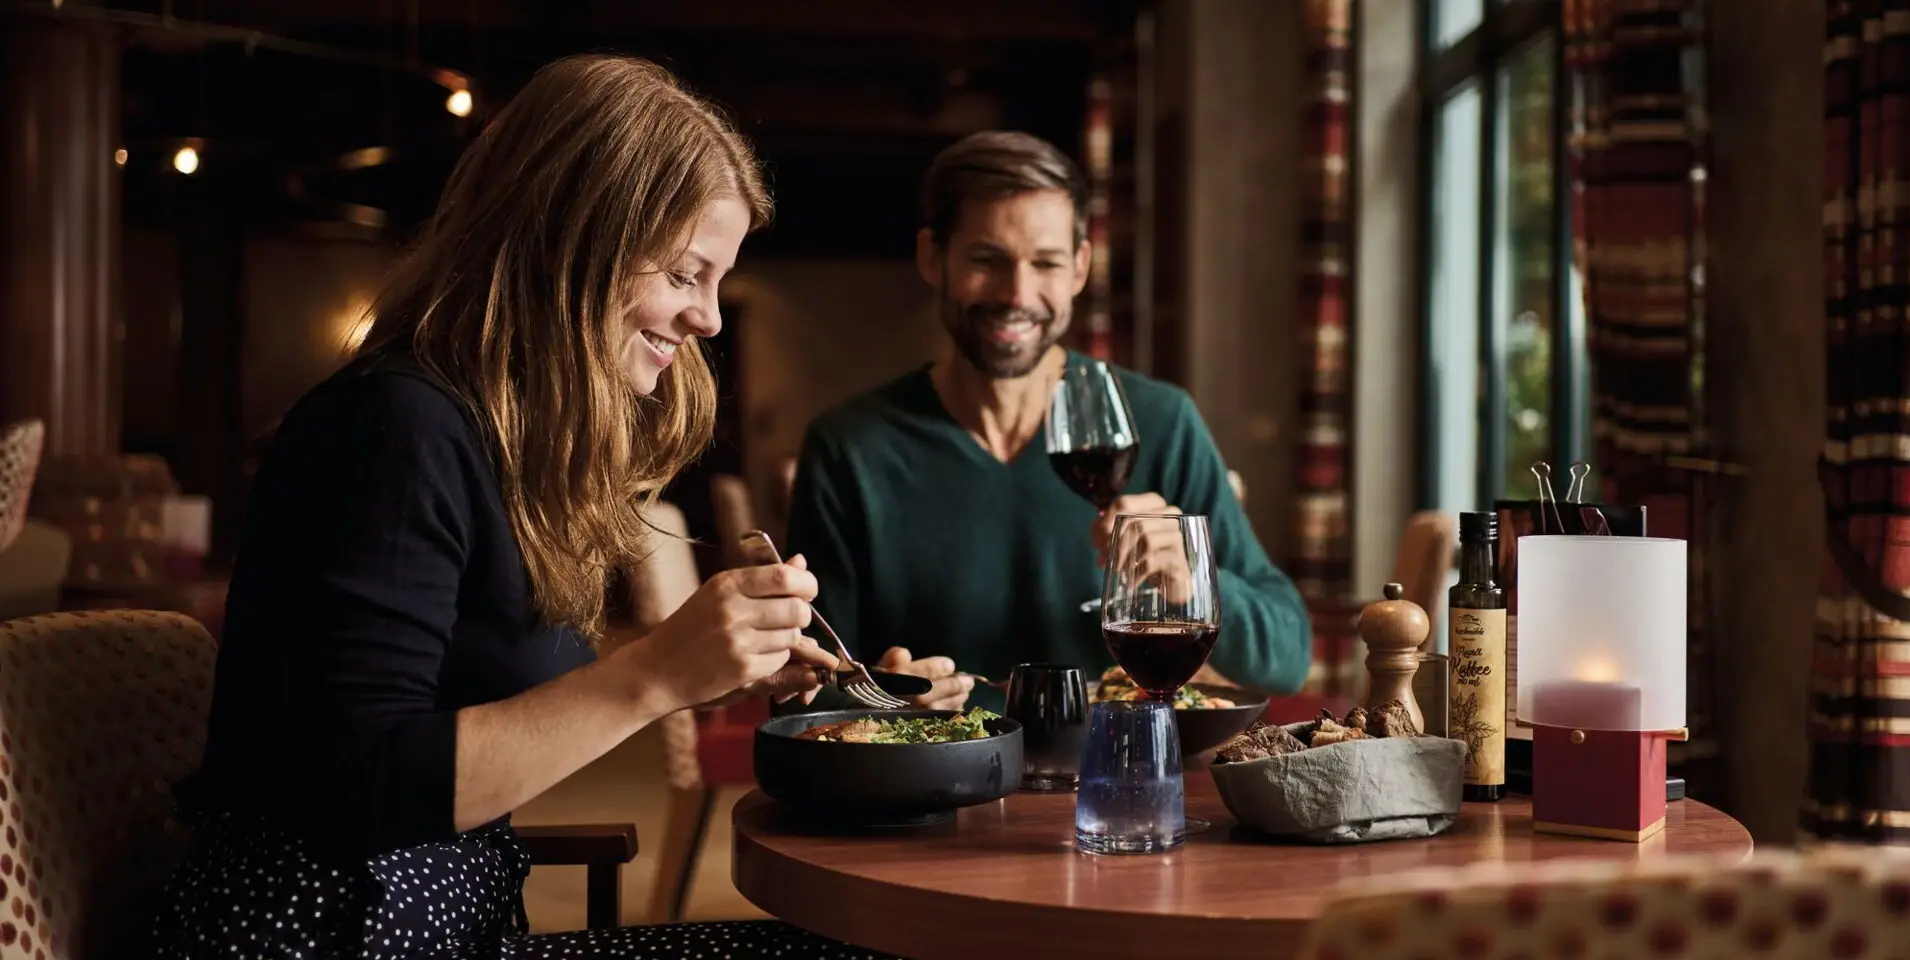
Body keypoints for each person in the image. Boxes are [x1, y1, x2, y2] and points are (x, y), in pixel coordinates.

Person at [152, 54, 893, 959]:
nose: (710, 318)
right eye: (684, 273)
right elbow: (353, 786)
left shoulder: (493, 440)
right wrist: (655, 675)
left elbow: (477, 696)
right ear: (576, 246)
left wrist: (711, 668)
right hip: (329, 935)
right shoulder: (394, 427)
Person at [784, 131, 1311, 710]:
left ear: (1081, 266)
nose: (1019, 293)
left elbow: (1287, 657)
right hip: (933, 786)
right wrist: (881, 698)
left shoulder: (1162, 421)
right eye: (987, 260)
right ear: (933, 257)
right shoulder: (849, 447)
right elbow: (807, 690)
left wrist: (1196, 583)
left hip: (1122, 781)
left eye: (1047, 263)